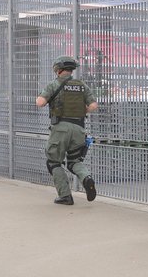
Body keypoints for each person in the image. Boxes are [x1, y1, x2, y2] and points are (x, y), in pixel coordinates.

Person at [36, 55, 99, 205]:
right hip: (79, 129)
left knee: (53, 162)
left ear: (58, 70)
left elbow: (40, 102)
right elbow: (93, 105)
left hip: (60, 129)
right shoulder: (82, 85)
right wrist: (82, 111)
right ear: (71, 70)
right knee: (73, 160)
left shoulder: (54, 84)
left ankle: (65, 196)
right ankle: (86, 178)